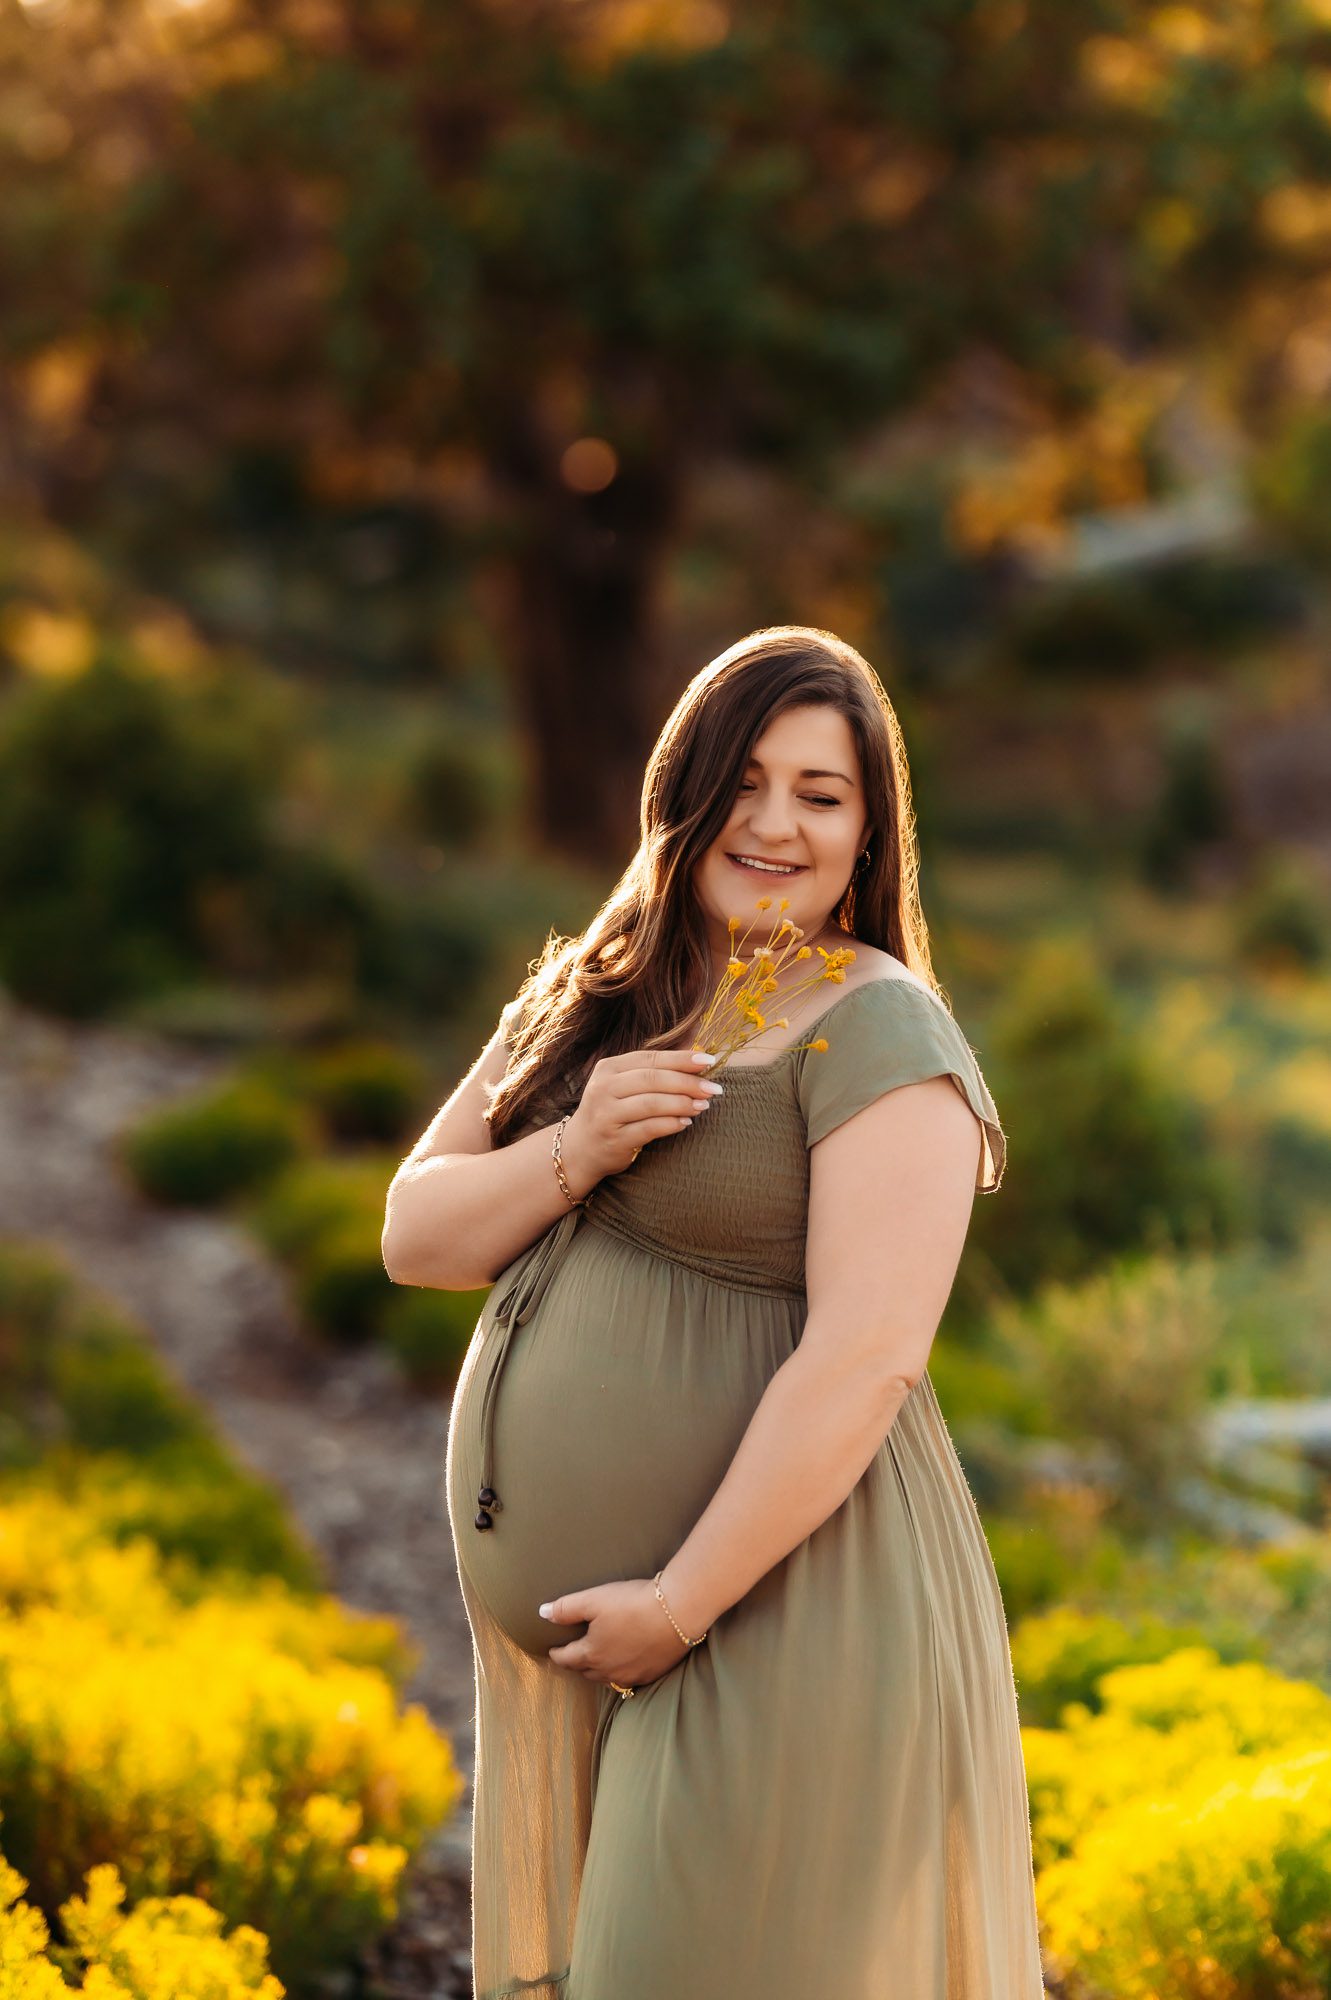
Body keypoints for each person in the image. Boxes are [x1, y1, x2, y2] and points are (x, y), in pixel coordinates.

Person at [382, 625, 1045, 2000]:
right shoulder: (600, 989)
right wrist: (581, 1147)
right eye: (744, 781)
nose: (775, 824)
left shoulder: (879, 1031)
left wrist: (679, 1605)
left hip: (780, 1612)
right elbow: (416, 1231)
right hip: (615, 1636)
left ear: (870, 835)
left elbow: (865, 1362)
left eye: (821, 793)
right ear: (681, 796)